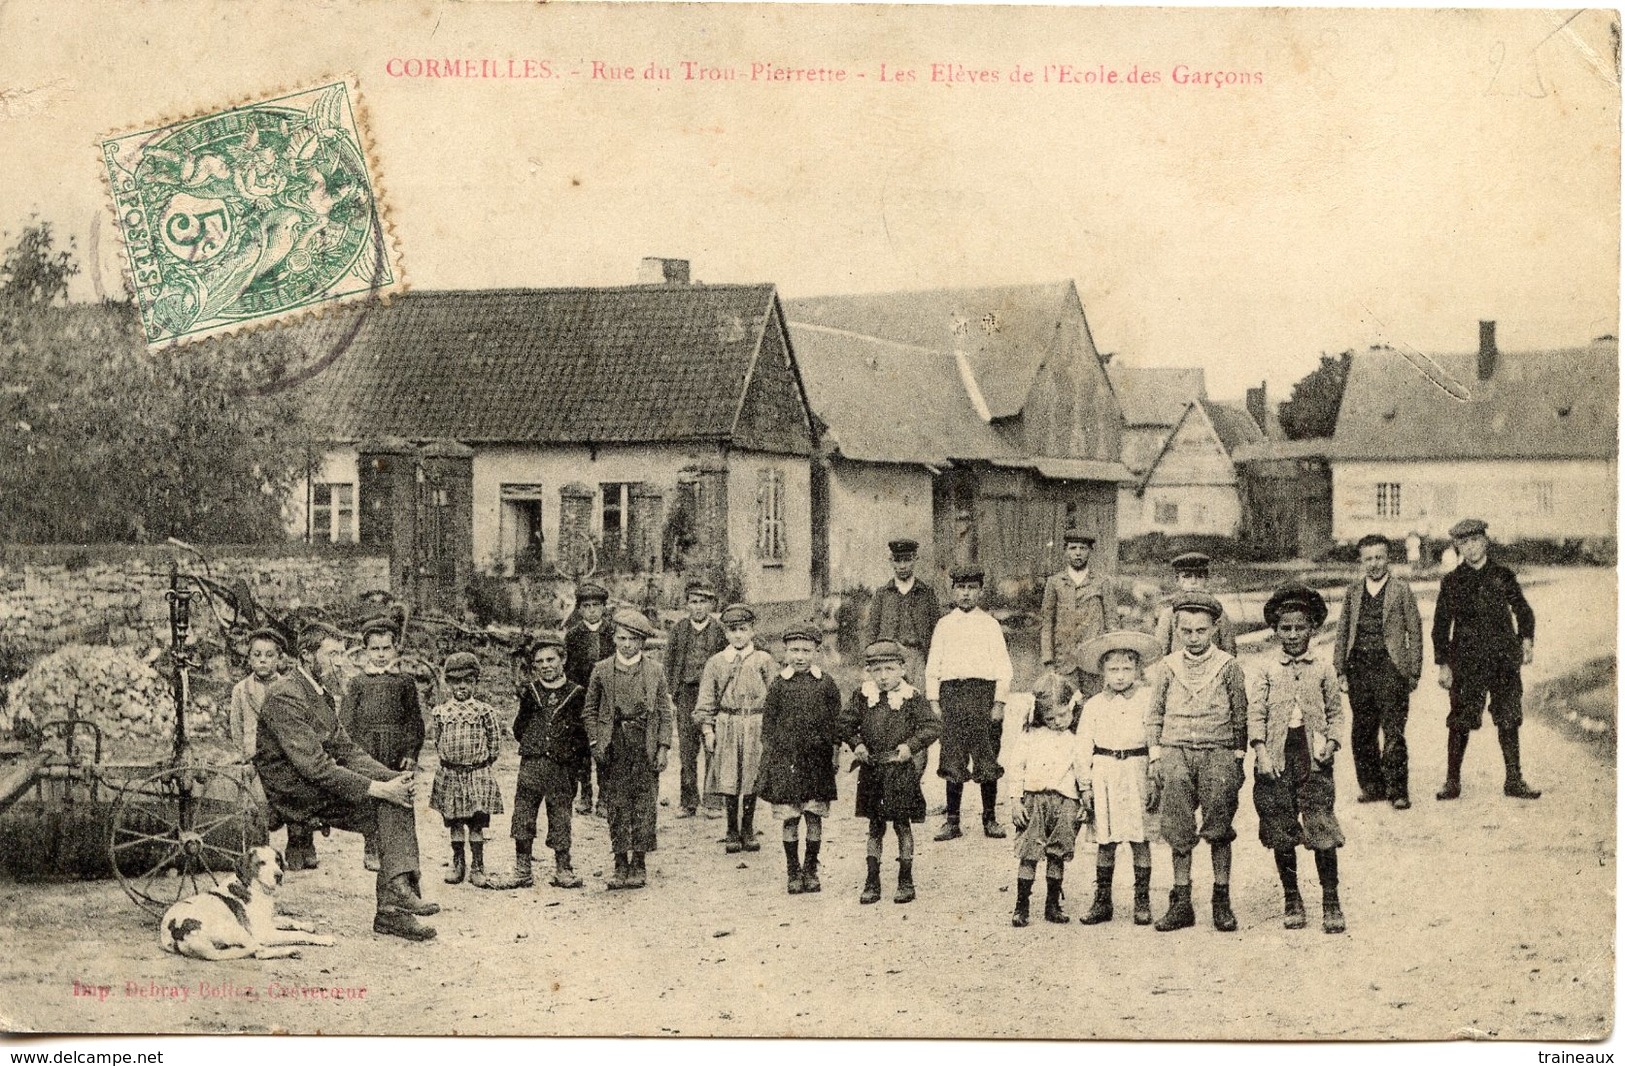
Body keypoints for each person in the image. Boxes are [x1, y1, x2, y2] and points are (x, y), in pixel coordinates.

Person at [255, 623, 437, 941]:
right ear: (306, 655)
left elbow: (347, 750)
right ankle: (398, 896)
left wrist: (391, 778)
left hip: (316, 784)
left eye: (341, 653)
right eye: (333, 654)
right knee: (387, 798)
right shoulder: (285, 695)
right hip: (292, 791)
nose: (340, 661)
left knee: (398, 791)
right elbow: (314, 766)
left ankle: (394, 907)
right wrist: (379, 788)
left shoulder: (320, 692)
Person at [1145, 592, 1248, 933]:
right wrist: (1156, 755)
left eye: (1201, 630)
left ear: (1214, 629)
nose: (1194, 638)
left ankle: (1221, 900)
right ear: (1176, 629)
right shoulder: (1167, 667)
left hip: (1217, 751)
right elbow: (1155, 714)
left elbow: (1240, 715)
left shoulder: (1228, 666)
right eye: (1186, 631)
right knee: (1178, 827)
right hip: (1175, 751)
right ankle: (1182, 901)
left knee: (1219, 826)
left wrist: (1237, 757)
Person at [1250, 585, 1347, 934]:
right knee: (1281, 826)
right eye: (1285, 629)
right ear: (1276, 630)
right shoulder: (1265, 670)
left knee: (1320, 824)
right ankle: (1292, 897)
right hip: (1276, 756)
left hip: (1312, 755)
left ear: (1312, 629)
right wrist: (1260, 750)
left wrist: (1332, 743)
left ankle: (1331, 900)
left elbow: (1336, 714)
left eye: (1300, 628)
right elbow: (1256, 714)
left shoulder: (1322, 668)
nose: (1292, 635)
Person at [1431, 518, 1540, 801]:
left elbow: (1523, 611)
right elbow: (1441, 626)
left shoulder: (1503, 575)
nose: (1471, 547)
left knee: (1508, 717)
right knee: (1459, 721)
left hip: (1503, 660)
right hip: (1466, 662)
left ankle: (1514, 780)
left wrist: (1526, 641)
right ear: (1457, 547)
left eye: (1475, 541)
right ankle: (1452, 782)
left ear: (1486, 541)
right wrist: (1444, 664)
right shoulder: (1452, 581)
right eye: (1464, 543)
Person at [1074, 628, 1163, 927]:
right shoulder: (1094, 705)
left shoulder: (1148, 700)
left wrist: (1153, 775)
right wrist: (1085, 785)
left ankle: (1142, 900)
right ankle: (1102, 901)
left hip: (1137, 769)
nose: (1121, 675)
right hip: (1105, 772)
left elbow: (1155, 738)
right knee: (1106, 839)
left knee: (1140, 838)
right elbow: (1083, 745)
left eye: (1127, 668)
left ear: (1138, 669)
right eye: (1113, 669)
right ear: (1102, 671)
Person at [485, 632, 589, 891]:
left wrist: (569, 759)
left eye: (551, 659)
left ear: (563, 660)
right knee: (523, 814)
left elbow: (581, 734)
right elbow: (520, 727)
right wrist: (535, 745)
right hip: (531, 764)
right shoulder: (531, 692)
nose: (545, 665)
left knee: (561, 815)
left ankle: (563, 868)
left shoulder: (576, 693)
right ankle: (522, 869)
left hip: (561, 766)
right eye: (539, 662)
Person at [841, 640, 942, 905]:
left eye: (889, 668)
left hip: (900, 772)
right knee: (875, 826)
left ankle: (905, 880)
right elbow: (845, 724)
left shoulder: (912, 697)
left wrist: (911, 746)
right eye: (876, 670)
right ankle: (872, 881)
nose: (883, 676)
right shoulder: (862, 696)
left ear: (902, 667)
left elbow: (932, 726)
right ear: (868, 671)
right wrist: (857, 744)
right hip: (873, 770)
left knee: (901, 824)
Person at [583, 607, 675, 890]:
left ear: (642, 642)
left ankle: (640, 861)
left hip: (643, 744)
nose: (627, 644)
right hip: (614, 746)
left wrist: (662, 747)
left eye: (633, 639)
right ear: (614, 638)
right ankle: (620, 861)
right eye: (622, 638)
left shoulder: (655, 670)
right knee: (616, 804)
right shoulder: (601, 670)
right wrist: (596, 742)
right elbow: (589, 711)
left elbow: (664, 712)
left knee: (644, 804)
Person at [1333, 534, 1423, 809]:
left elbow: (1415, 632)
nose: (1374, 564)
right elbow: (1343, 631)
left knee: (1394, 730)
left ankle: (1397, 789)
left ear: (1388, 559)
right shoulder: (1353, 591)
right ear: (1361, 561)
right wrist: (1341, 670)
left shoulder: (1400, 589)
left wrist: (1413, 671)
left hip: (1390, 668)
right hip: (1359, 667)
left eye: (1379, 557)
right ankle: (1372, 786)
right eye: (1368, 558)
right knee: (1363, 729)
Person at [925, 565, 1013, 841]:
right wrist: (934, 700)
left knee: (987, 756)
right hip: (952, 694)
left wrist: (998, 702)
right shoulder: (944, 625)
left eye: (971, 588)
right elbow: (933, 666)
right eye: (961, 588)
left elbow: (1003, 667)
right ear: (953, 591)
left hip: (983, 695)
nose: (966, 593)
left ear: (980, 592)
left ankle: (990, 818)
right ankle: (952, 820)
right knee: (953, 756)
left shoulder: (990, 625)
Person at [756, 625, 843, 894]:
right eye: (794, 650)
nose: (800, 656)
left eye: (806, 650)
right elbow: (768, 726)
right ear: (786, 651)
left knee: (814, 815)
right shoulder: (779, 684)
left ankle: (810, 869)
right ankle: (793, 871)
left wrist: (835, 752)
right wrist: (772, 758)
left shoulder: (826, 683)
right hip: (787, 762)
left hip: (817, 761)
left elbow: (836, 724)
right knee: (790, 818)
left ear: (817, 651)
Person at [341, 617, 425, 871]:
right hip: (366, 750)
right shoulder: (357, 683)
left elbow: (414, 720)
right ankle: (371, 847)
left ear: (396, 648)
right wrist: (350, 753)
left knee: (399, 796)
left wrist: (411, 752)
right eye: (374, 649)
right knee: (370, 798)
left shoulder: (404, 682)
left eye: (386, 648)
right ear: (365, 650)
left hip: (396, 750)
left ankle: (399, 852)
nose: (380, 654)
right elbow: (346, 722)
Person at [694, 603, 778, 853]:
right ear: (726, 633)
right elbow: (706, 700)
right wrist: (708, 730)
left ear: (752, 630)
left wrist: (773, 730)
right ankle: (731, 828)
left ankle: (748, 828)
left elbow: (775, 698)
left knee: (751, 776)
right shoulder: (717, 662)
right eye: (732, 630)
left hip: (756, 723)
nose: (738, 635)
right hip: (727, 723)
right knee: (729, 776)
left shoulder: (764, 660)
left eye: (743, 629)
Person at [1005, 679, 1089, 927]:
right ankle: (1022, 905)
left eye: (1064, 715)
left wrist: (1085, 797)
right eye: (1051, 718)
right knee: (1029, 852)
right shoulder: (1030, 735)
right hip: (1034, 800)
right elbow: (1016, 767)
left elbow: (1082, 770)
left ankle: (1052, 903)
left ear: (1073, 707)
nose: (1058, 722)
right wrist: (1015, 801)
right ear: (1039, 714)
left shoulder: (1075, 738)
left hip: (1065, 801)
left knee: (1057, 852)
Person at [429, 652, 505, 888]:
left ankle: (478, 866)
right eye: (456, 681)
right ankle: (458, 862)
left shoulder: (485, 712)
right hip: (450, 775)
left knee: (476, 822)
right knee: (454, 822)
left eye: (468, 681)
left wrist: (480, 765)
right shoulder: (440, 712)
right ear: (449, 683)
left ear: (475, 682)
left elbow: (495, 743)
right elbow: (437, 740)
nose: (462, 686)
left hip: (476, 774)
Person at [664, 580, 726, 818]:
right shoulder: (679, 630)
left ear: (711, 604)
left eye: (703, 602)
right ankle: (688, 801)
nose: (698, 607)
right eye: (693, 602)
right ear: (687, 604)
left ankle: (713, 801)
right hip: (687, 695)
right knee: (687, 752)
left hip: (712, 697)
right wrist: (671, 692)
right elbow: (668, 663)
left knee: (712, 747)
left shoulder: (719, 630)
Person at [1040, 530, 1117, 702]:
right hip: (1064, 661)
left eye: (1083, 548)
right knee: (1062, 707)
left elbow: (1112, 622)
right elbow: (1047, 624)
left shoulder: (1102, 582)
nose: (1078, 553)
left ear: (1090, 551)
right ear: (1065, 550)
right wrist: (1048, 660)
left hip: (1094, 660)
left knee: (1095, 707)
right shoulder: (1055, 582)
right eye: (1073, 548)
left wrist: (1111, 657)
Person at [565, 582, 614, 817]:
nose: (592, 610)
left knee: (604, 746)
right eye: (587, 606)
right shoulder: (573, 635)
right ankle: (585, 794)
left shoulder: (613, 633)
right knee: (582, 749)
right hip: (582, 699)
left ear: (604, 607)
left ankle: (605, 796)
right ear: (579, 609)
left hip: (607, 699)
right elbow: (569, 670)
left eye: (596, 605)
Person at [865, 537, 940, 687]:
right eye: (898, 560)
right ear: (891, 561)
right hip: (888, 657)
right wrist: (868, 662)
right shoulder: (883, 594)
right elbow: (871, 630)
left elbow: (936, 630)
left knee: (917, 699)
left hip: (917, 658)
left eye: (907, 560)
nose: (903, 565)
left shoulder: (926, 593)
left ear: (915, 559)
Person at [1152, 553, 1238, 657]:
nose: (1193, 582)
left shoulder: (1219, 614)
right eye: (1187, 576)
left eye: (1199, 576)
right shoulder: (1169, 614)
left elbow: (1230, 652)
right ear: (1177, 580)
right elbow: (1160, 654)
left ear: (1206, 580)